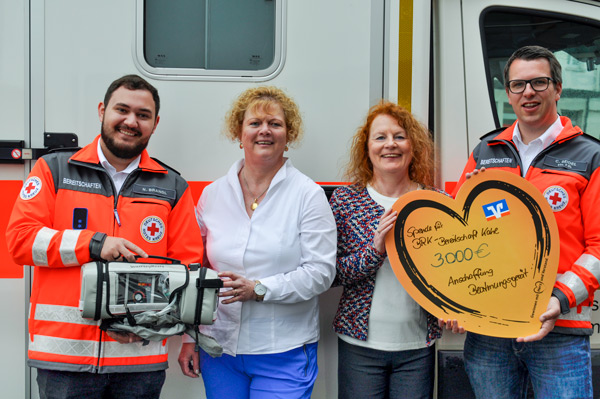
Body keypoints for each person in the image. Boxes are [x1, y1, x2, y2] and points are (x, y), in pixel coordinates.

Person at [6, 74, 204, 399]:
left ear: (155, 124)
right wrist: (94, 244)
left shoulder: (173, 187)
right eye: (121, 110)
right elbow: (20, 241)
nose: (130, 121)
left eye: (142, 115)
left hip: (139, 358)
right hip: (65, 360)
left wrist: (150, 326)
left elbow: (188, 270)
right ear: (102, 111)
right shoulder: (53, 169)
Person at [453, 45, 600, 398]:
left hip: (559, 330)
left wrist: (560, 298)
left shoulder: (590, 156)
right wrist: (455, 297)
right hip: (490, 331)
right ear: (508, 93)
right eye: (518, 85)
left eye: (539, 82)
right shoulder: (485, 153)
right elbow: (460, 233)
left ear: (558, 88)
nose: (528, 92)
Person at [177, 86, 336, 398]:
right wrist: (188, 337)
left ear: (288, 135)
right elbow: (195, 269)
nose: (264, 130)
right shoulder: (212, 195)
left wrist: (260, 289)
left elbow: (321, 272)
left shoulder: (308, 195)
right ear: (240, 133)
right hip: (218, 349)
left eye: (275, 124)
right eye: (255, 123)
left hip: (283, 351)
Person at [330, 101, 443, 399]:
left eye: (399, 136)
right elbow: (333, 274)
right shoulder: (346, 201)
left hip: (418, 347)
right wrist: (375, 250)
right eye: (380, 137)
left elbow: (452, 271)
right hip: (360, 347)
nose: (390, 145)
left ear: (413, 146)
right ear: (366, 148)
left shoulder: (436, 202)